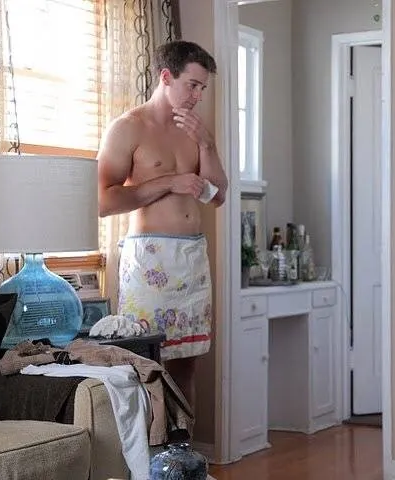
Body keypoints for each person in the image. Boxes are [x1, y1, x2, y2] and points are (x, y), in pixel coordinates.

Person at [97, 40, 227, 411]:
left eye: (202, 88)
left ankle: (183, 447)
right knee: (148, 363)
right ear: (166, 77)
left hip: (192, 259)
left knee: (187, 365)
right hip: (150, 260)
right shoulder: (127, 128)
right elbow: (104, 202)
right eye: (192, 85)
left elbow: (218, 195)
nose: (198, 96)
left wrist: (207, 145)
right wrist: (170, 182)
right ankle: (149, 448)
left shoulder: (194, 131)